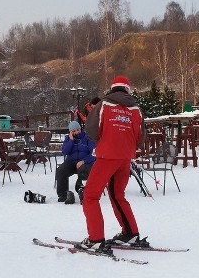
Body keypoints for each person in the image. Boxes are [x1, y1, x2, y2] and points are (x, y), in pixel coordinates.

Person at [79, 75, 148, 254]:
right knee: (118, 194)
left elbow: (92, 130)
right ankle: (130, 233)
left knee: (90, 196)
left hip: (107, 156)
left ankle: (95, 239)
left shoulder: (104, 105)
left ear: (112, 89)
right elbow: (140, 139)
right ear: (127, 90)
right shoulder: (136, 110)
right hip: (125, 158)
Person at [55, 120, 96, 204]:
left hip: (85, 163)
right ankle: (63, 194)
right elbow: (65, 152)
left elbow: (93, 153)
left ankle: (82, 192)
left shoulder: (88, 137)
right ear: (70, 132)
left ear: (80, 129)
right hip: (71, 162)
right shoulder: (68, 139)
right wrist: (71, 141)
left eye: (78, 130)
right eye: (73, 131)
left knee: (84, 171)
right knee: (60, 170)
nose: (76, 132)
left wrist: (83, 161)